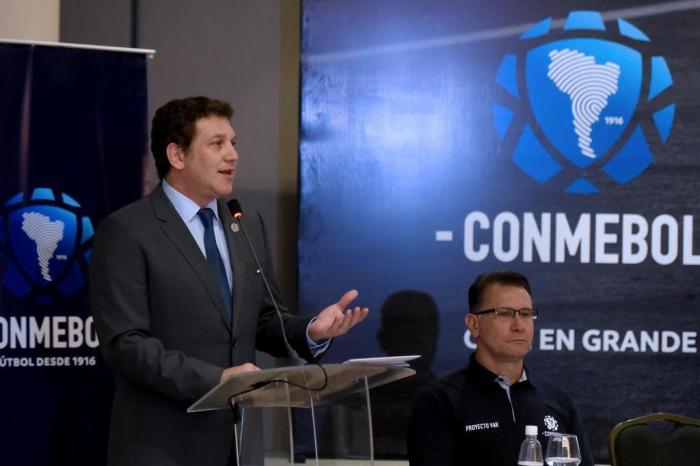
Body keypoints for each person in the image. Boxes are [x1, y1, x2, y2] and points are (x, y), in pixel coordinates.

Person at [89, 96, 368, 466]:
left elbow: (264, 320)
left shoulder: (245, 224)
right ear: (176, 155)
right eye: (217, 144)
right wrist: (217, 379)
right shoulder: (127, 231)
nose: (233, 155)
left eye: (233, 143)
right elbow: (125, 344)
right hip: (163, 447)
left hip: (240, 446)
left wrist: (312, 332)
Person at [407, 271, 594, 466]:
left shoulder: (559, 401)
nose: (519, 325)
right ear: (473, 324)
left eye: (526, 313)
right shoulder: (438, 400)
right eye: (504, 313)